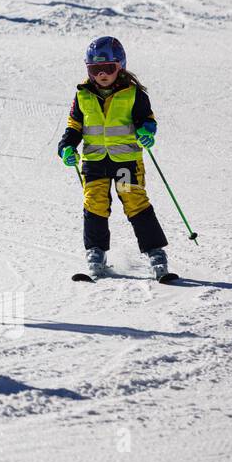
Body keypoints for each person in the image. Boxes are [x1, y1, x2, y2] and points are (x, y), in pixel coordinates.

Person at [56, 38, 171, 281]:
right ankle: (96, 253)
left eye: (107, 68)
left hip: (125, 161)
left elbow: (147, 120)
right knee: (94, 204)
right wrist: (67, 147)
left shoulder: (133, 94)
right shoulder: (83, 95)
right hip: (95, 161)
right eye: (94, 70)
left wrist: (147, 133)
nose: (101, 75)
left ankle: (155, 253)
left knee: (135, 203)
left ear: (120, 66)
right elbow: (74, 126)